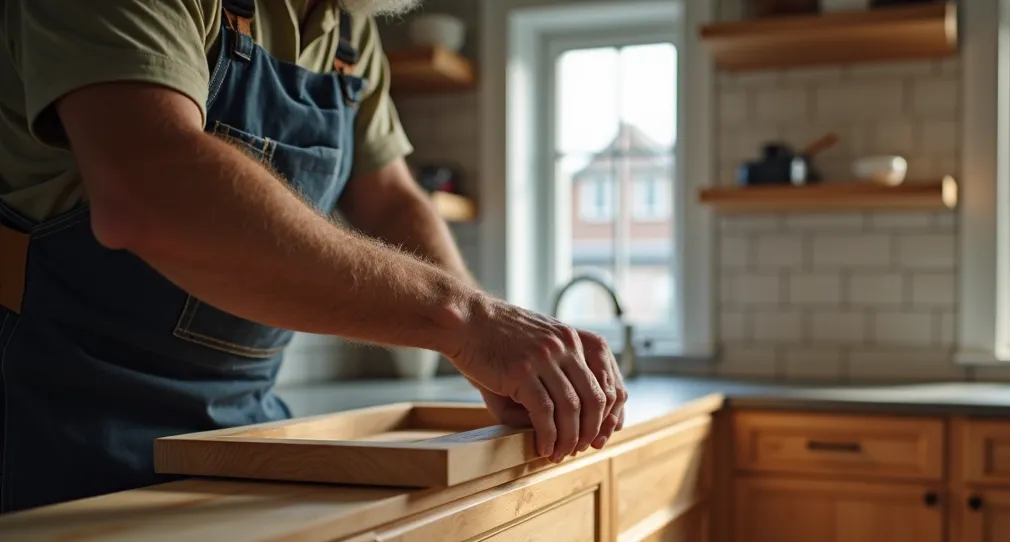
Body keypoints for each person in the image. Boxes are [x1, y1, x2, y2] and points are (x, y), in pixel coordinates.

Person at [0, 0, 628, 513]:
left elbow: (392, 200)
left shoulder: (347, 26)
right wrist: (464, 320)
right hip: (49, 421)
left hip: (241, 429)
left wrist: (484, 347)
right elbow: (151, 190)